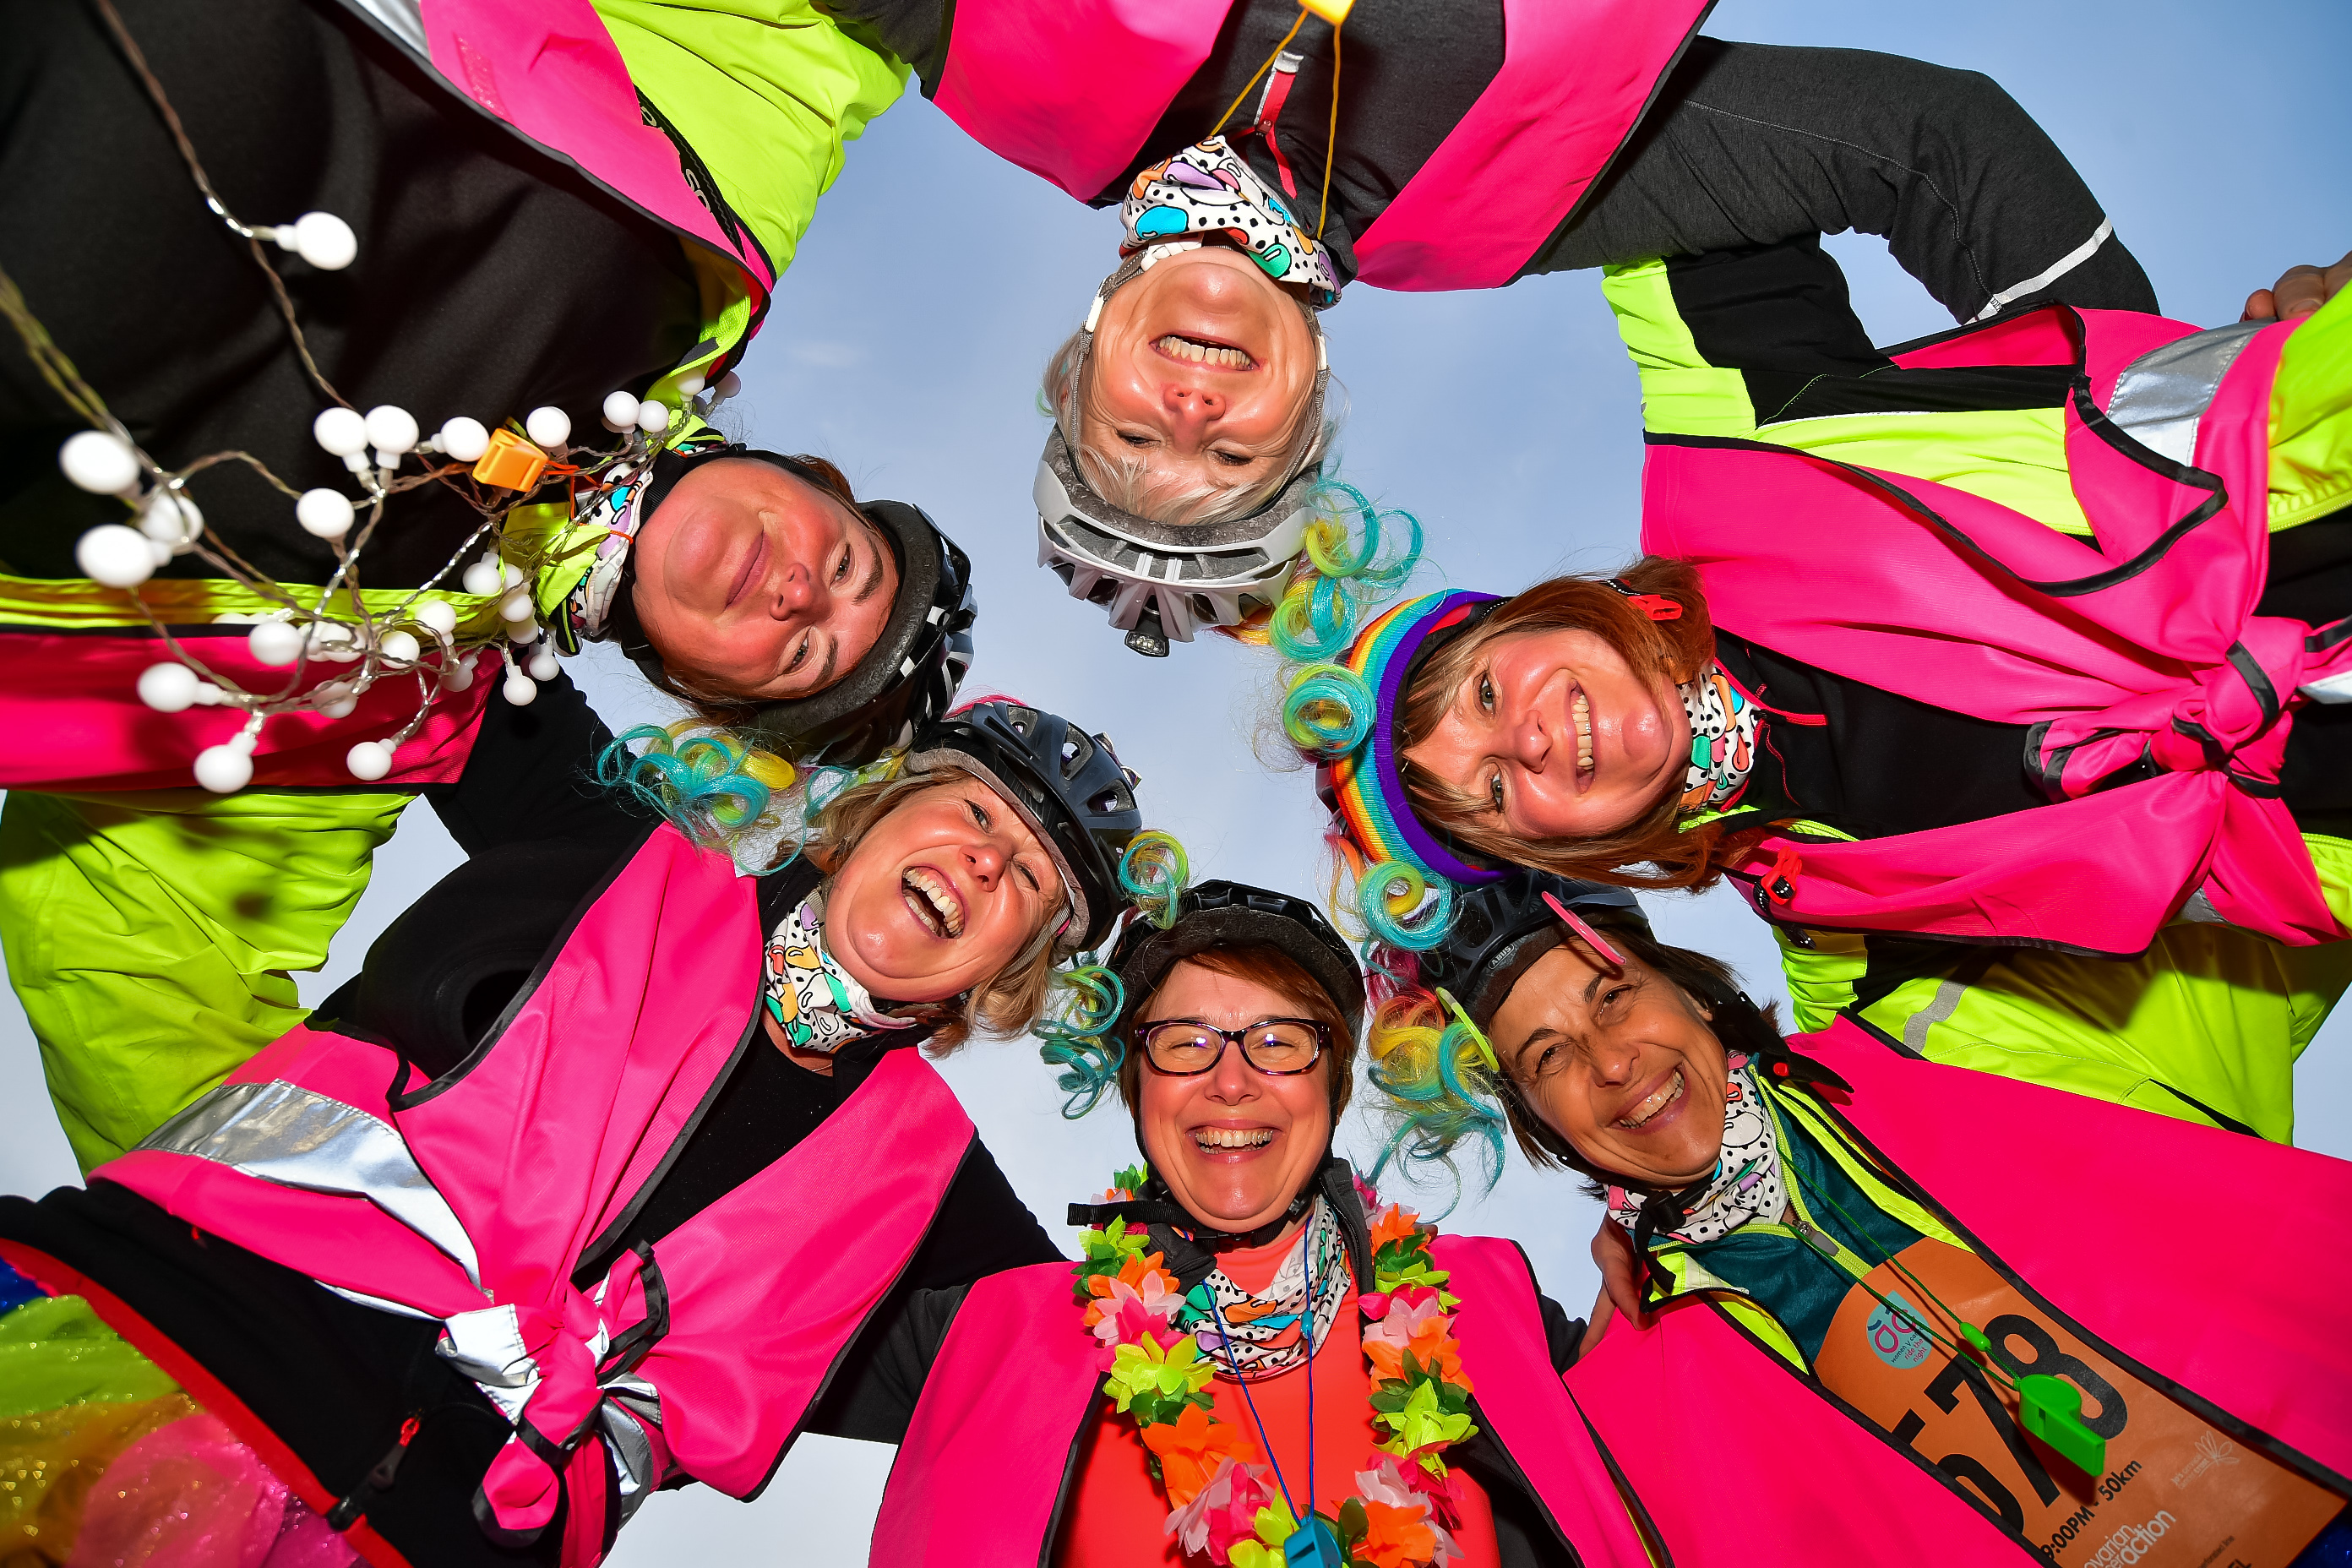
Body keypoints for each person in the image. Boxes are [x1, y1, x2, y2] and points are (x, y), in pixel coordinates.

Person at [0, 0, 975, 1171]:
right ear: (810, 478)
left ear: (702, 691)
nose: (803, 594)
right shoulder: (729, 173)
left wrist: (317, 1286)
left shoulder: (366, 712)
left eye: (809, 654)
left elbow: (145, 990)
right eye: (852, 563)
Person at [0, 697, 1141, 1565]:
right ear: (872, 817)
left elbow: (1126, 1385)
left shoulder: (932, 1183)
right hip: (163, 1350)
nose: (990, 857)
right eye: (976, 810)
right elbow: (468, 632)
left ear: (1009, 971)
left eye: (1032, 880)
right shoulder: (619, 846)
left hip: (427, 1542)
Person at [820, 0, 2165, 653]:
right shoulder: (1516, 206)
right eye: (1231, 467)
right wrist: (2150, 484)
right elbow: (1929, 147)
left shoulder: (996, 57)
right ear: (1307, 406)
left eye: (1128, 438)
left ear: (1089, 344)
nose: (1190, 421)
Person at [1292, 258, 2352, 969]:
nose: (1524, 738)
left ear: (1536, 614)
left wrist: (2100, 289)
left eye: (1485, 690)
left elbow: (1606, 123)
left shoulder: (1741, 447)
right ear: (1557, 854)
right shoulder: (1833, 918)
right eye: (1489, 790)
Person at [1376, 871, 2352, 1567]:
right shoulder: (1636, 1371)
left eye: (1615, 995)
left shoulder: (1940, 1041)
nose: (1612, 1062)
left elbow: (2251, 862)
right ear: (1541, 1121)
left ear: (1690, 990)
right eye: (1550, 1057)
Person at [815, 878, 1652, 1568]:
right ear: (1136, 1084)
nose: (1232, 1080)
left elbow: (1707, 1448)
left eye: (1280, 1040)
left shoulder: (1492, 1304)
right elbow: (725, 1274)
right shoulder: (997, 1332)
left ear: (1331, 1083)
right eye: (1185, 1042)